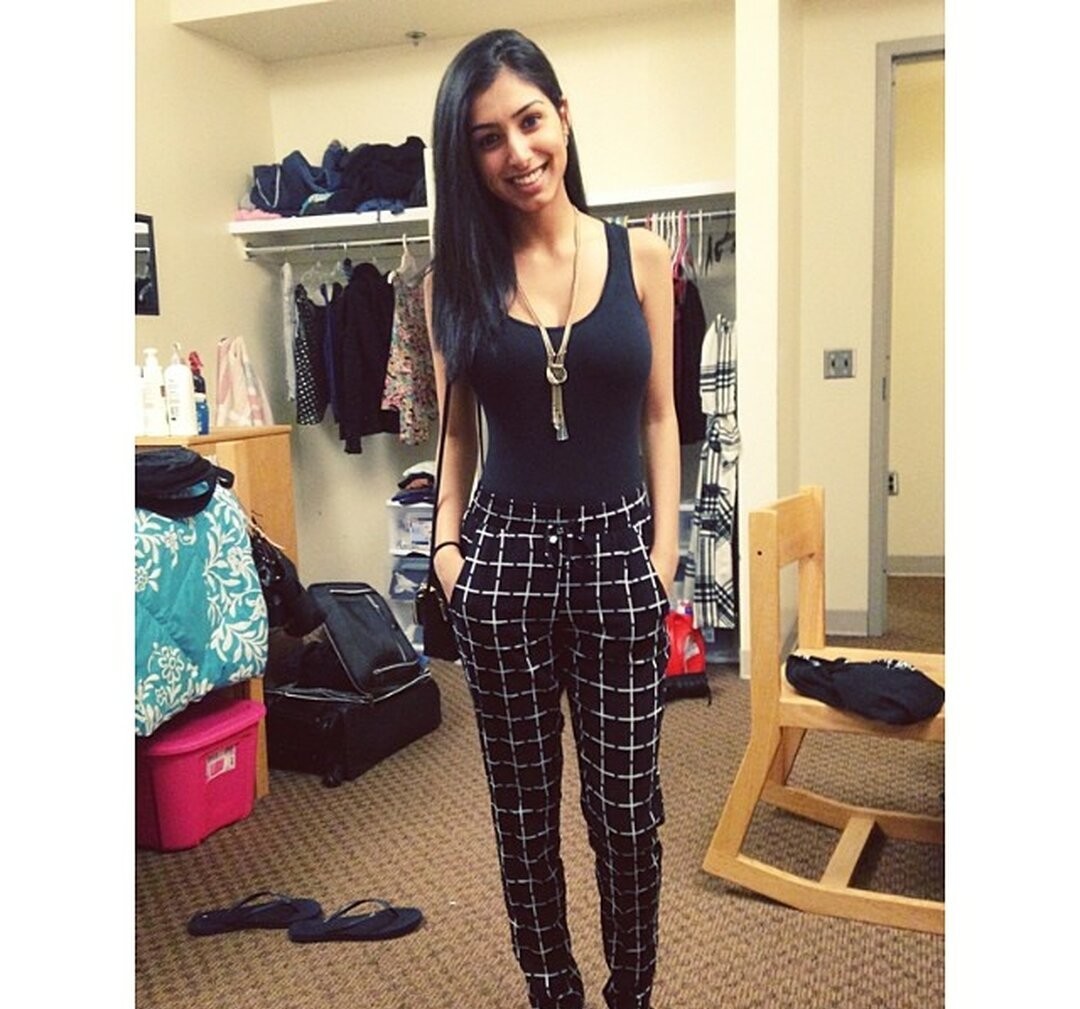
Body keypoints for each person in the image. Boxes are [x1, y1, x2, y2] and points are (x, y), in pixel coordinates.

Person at [424, 28, 680, 1009]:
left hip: (620, 551)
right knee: (524, 814)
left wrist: (663, 552)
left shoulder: (642, 257)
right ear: (467, 156)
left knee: (626, 810)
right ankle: (552, 989)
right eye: (487, 138)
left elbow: (660, 416)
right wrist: (447, 549)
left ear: (563, 116)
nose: (518, 152)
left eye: (530, 121)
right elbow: (455, 433)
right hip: (503, 561)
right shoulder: (452, 282)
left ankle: (631, 990)